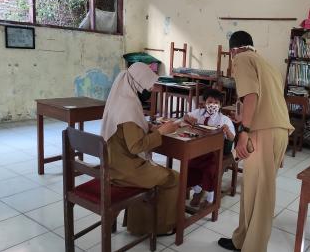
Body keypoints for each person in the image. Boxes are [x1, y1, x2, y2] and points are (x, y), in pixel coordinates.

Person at [217, 31, 294, 252]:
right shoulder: (266, 63)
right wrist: (244, 120)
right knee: (252, 189)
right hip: (278, 131)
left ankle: (254, 248)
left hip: (264, 133)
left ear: (233, 50)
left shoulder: (241, 59)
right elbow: (265, 99)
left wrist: (243, 130)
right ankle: (241, 240)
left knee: (261, 195)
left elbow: (251, 96)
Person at [100, 62, 180, 236]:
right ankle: (159, 227)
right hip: (126, 171)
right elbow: (136, 146)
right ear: (138, 84)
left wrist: (149, 127)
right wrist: (161, 132)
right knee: (173, 177)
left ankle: (137, 223)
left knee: (159, 172)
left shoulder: (120, 99)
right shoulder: (129, 108)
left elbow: (128, 132)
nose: (150, 91)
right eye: (149, 87)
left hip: (112, 165)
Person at [184, 89, 236, 208]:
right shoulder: (199, 113)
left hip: (216, 152)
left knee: (211, 170)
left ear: (220, 105)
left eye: (216, 102)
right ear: (205, 103)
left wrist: (227, 130)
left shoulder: (224, 119)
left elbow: (232, 138)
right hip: (199, 150)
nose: (213, 105)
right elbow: (186, 116)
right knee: (189, 164)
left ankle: (210, 197)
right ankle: (197, 191)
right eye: (210, 101)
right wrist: (189, 119)